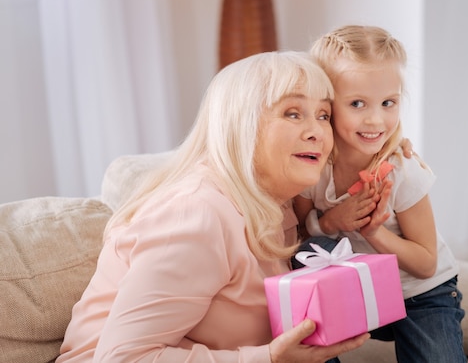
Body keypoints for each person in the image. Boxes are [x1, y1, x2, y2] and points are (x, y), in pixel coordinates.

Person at [57, 51, 370, 363]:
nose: (317, 132)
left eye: (323, 115)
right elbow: (121, 358)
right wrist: (270, 357)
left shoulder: (274, 202)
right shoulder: (196, 214)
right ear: (241, 124)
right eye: (292, 113)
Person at [293, 25, 466, 363]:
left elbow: (426, 264)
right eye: (357, 103)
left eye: (389, 102)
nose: (376, 119)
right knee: (307, 254)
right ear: (325, 105)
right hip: (358, 290)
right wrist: (330, 222)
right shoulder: (314, 165)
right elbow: (300, 233)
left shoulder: (402, 171)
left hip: (419, 295)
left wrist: (372, 232)